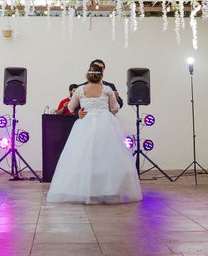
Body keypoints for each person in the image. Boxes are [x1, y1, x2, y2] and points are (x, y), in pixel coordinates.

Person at [46, 63, 142, 204]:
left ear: (88, 75)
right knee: (107, 156)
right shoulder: (107, 89)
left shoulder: (80, 90)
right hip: (106, 124)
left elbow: (71, 107)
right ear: (101, 75)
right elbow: (115, 108)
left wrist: (78, 112)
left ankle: (84, 190)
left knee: (82, 156)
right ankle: (108, 190)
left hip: (85, 123)